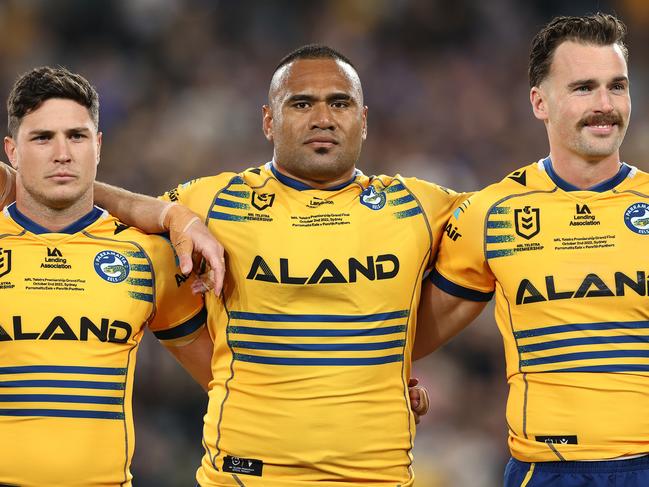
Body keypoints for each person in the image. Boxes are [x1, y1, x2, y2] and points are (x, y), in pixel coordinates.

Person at [43, 45, 453, 486]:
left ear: (364, 119)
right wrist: (171, 215)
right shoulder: (211, 202)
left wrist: (385, 368)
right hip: (242, 476)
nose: (323, 118)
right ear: (268, 121)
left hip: (378, 477)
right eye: (301, 104)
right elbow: (90, 208)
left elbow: (490, 266)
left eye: (340, 102)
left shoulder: (421, 206)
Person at [415, 12, 649, 486]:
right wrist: (388, 382)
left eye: (617, 86)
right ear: (540, 102)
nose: (605, 104)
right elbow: (414, 335)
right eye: (584, 87)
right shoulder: (493, 213)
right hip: (546, 472)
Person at [0, 66, 212, 486]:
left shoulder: (148, 255)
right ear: (12, 151)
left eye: (76, 136)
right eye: (42, 138)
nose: (62, 153)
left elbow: (224, 380)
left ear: (98, 146)